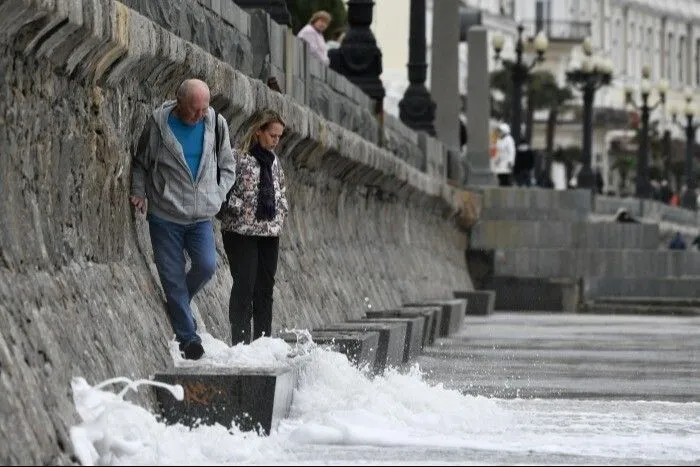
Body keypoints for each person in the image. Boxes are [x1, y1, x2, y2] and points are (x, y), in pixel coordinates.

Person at [130, 78, 236, 360]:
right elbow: (141, 162)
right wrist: (139, 192)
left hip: (201, 216)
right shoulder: (158, 124)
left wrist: (218, 194)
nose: (201, 115)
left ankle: (178, 304)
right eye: (195, 110)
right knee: (172, 276)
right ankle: (189, 340)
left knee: (206, 265)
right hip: (165, 215)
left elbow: (228, 165)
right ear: (179, 103)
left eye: (205, 108)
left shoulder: (216, 122)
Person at [218, 109, 289, 345]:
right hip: (240, 231)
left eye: (279, 137)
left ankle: (262, 342)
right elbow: (222, 188)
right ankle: (240, 342)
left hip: (269, 232)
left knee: (265, 288)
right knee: (244, 285)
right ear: (258, 131)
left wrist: (281, 211)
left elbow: (281, 190)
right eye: (272, 135)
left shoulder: (275, 161)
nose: (275, 141)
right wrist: (233, 208)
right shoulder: (238, 157)